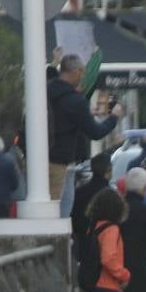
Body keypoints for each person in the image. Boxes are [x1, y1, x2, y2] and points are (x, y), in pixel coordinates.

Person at [47, 54, 122, 210]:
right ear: (75, 71)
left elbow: (63, 117)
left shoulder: (45, 90)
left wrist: (86, 115)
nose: (83, 77)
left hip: (38, 161)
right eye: (82, 72)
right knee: (59, 211)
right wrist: (113, 117)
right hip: (61, 162)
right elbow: (96, 132)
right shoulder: (76, 100)